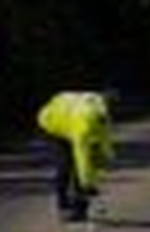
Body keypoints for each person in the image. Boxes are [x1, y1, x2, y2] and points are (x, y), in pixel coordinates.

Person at [36, 91, 115, 222]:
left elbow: (105, 138)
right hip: (53, 125)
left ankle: (80, 208)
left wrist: (106, 157)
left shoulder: (102, 111)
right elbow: (81, 155)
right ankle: (63, 206)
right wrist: (88, 184)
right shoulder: (83, 124)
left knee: (89, 161)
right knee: (66, 165)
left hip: (69, 116)